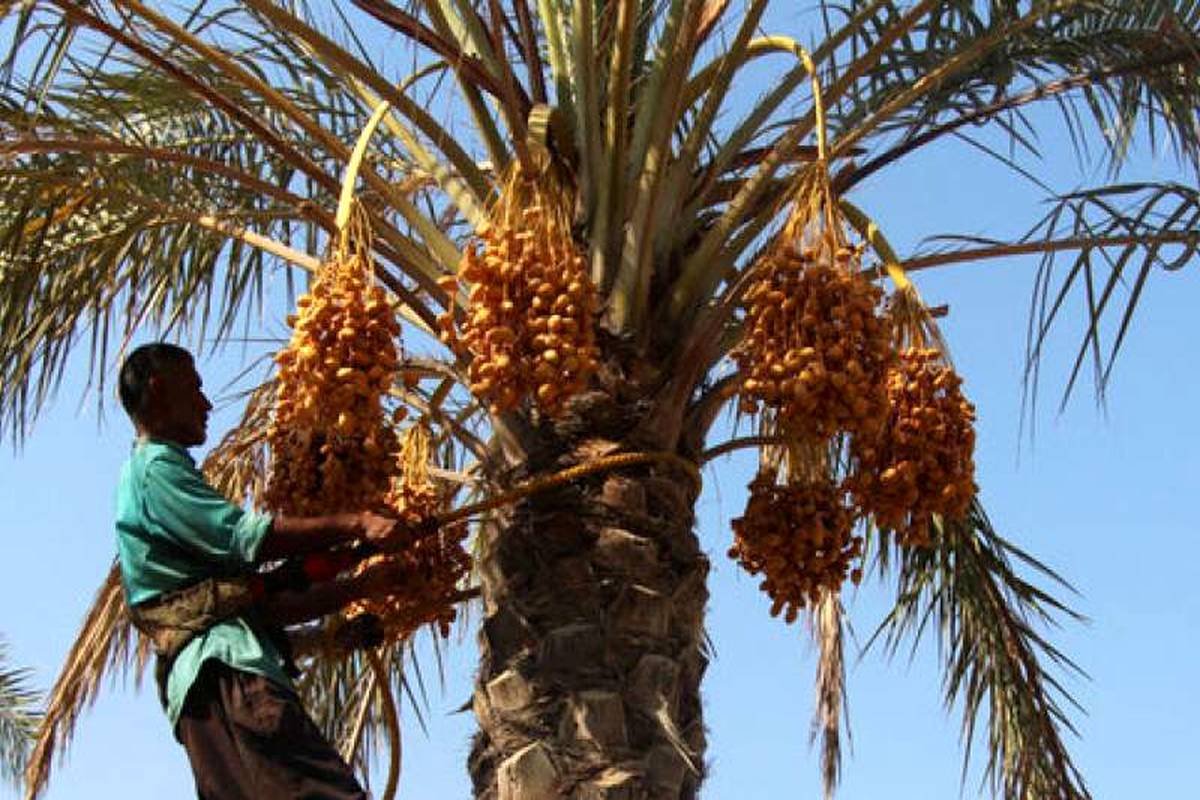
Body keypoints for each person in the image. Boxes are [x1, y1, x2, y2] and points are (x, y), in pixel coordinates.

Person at [114, 342, 407, 799]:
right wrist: (357, 522)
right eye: (195, 388)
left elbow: (268, 606)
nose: (206, 404)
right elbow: (246, 538)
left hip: (206, 700)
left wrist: (361, 585)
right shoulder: (155, 470)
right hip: (227, 680)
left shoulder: (158, 488)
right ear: (158, 388)